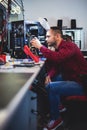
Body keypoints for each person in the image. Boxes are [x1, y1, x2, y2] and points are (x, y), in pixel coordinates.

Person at [30, 26, 87, 130]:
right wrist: (49, 75)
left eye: (48, 36)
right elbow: (57, 64)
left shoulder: (69, 46)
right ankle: (59, 106)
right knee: (51, 81)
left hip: (83, 83)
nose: (46, 39)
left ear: (57, 36)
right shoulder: (60, 48)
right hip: (74, 79)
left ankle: (56, 119)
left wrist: (40, 47)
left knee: (52, 87)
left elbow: (57, 57)